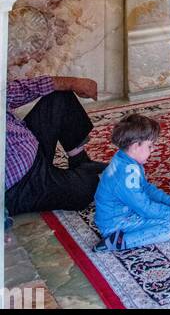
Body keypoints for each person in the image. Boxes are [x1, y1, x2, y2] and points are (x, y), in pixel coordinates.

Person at [95, 112, 170, 250]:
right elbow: (144, 207)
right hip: (116, 224)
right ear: (136, 145)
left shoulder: (126, 160)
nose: (153, 149)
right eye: (150, 146)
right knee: (166, 228)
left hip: (126, 212)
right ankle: (116, 241)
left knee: (164, 215)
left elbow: (146, 188)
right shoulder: (126, 175)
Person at [5, 74, 104, 215]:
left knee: (60, 96)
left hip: (28, 147)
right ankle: (81, 176)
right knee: (88, 188)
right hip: (20, 183)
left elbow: (12, 92)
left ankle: (80, 161)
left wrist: (74, 82)